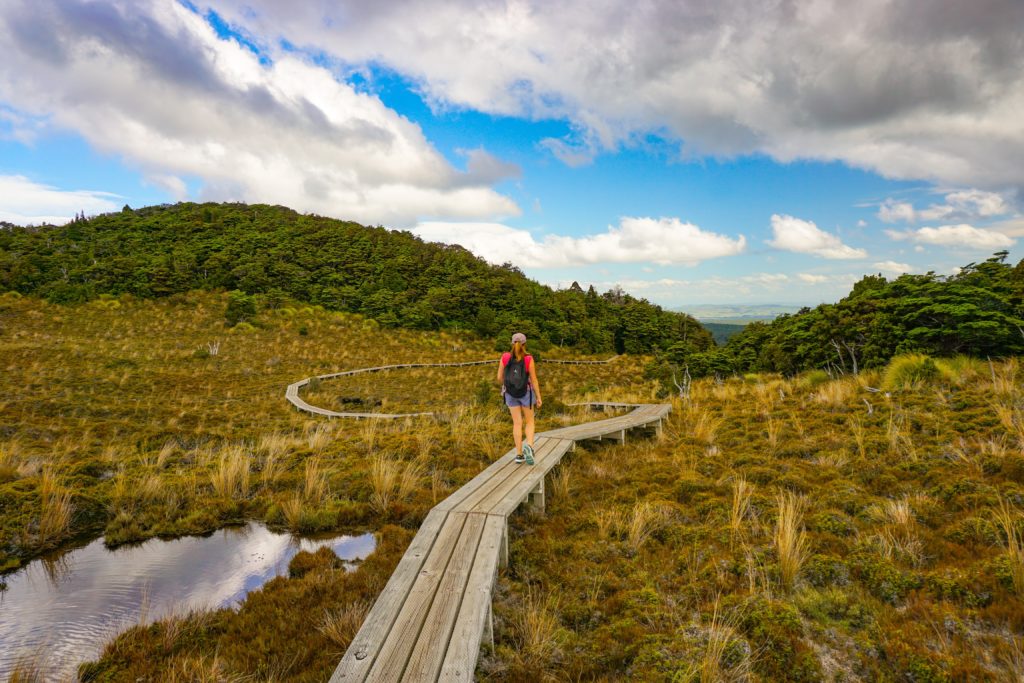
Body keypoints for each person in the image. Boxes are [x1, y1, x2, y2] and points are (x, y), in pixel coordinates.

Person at [497, 332, 542, 464]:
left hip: (510, 394)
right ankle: (529, 446)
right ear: (524, 344)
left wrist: (509, 384)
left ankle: (519, 454)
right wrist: (538, 397)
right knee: (530, 422)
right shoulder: (528, 359)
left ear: (512, 343)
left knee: (517, 423)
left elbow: (499, 378)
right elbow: (534, 380)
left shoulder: (505, 357)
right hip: (526, 393)